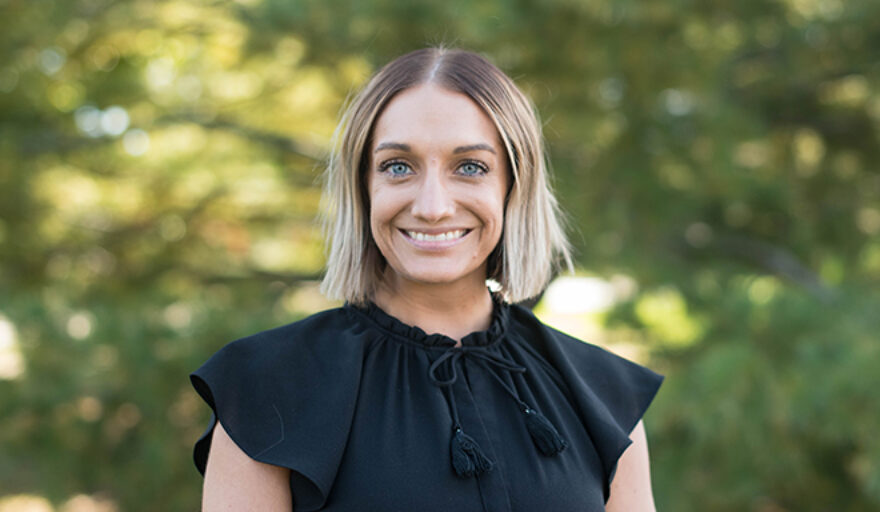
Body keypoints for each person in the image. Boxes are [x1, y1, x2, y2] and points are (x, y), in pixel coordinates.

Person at [191, 47, 663, 511]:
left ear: (512, 187)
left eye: (470, 167)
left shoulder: (604, 396)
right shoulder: (263, 388)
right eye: (398, 167)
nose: (433, 206)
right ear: (363, 188)